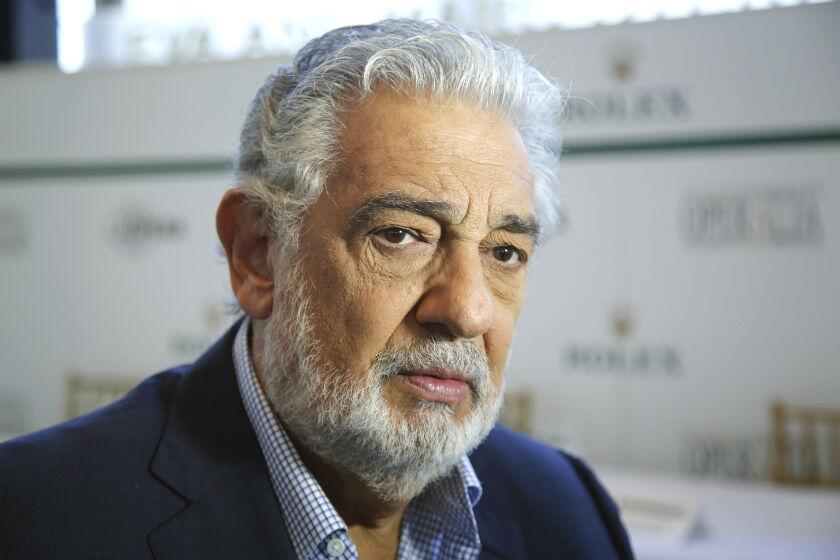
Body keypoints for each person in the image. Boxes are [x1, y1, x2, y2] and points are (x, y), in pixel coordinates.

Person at [0, 19, 632, 560]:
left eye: (504, 252)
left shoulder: (568, 510)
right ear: (257, 254)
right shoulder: (35, 517)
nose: (467, 310)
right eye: (402, 236)